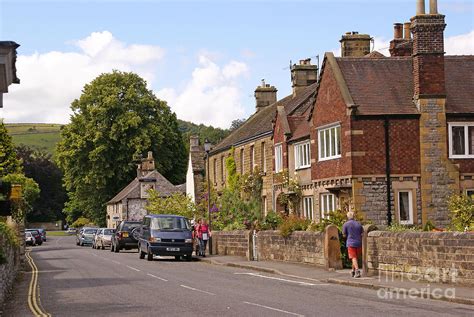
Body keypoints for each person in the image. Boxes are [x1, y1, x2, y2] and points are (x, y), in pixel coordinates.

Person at [342, 211, 364, 278]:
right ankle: (353, 271)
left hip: (351, 243)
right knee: (355, 258)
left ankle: (357, 271)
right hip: (359, 243)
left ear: (348, 217)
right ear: (354, 216)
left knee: (353, 257)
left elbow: (344, 234)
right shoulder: (358, 224)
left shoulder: (346, 224)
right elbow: (362, 233)